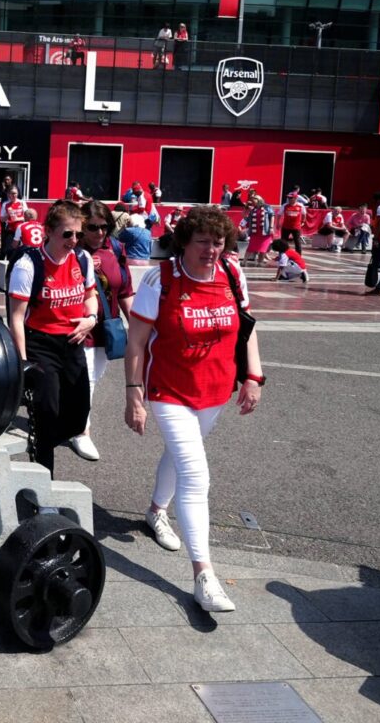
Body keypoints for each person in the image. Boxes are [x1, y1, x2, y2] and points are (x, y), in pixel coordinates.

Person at [124, 205, 263, 613]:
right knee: (196, 473)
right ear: (183, 242)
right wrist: (134, 393)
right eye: (202, 241)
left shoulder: (233, 274)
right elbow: (136, 343)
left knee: (181, 456)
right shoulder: (160, 279)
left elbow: (248, 325)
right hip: (168, 390)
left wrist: (254, 376)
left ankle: (155, 512)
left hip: (216, 389)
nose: (211, 250)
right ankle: (204, 575)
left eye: (218, 242)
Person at [7, 200, 99, 474]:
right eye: (67, 234)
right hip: (40, 345)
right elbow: (16, 317)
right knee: (46, 414)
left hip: (72, 344)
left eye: (78, 234)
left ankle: (44, 438)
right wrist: (24, 362)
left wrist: (91, 319)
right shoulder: (28, 264)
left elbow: (91, 297)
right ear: (48, 231)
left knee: (78, 416)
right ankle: (41, 483)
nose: (74, 240)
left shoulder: (82, 259)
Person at [70, 200, 136, 463]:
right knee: (86, 381)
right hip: (77, 326)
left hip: (106, 327)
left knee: (94, 376)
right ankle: (81, 431)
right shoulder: (71, 248)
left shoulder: (116, 248)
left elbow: (126, 291)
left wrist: (140, 327)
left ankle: (72, 420)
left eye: (104, 227)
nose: (99, 233)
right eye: (93, 227)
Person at [241, 193, 275, 266]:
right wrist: (242, 224)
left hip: (265, 231)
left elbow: (272, 216)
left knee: (263, 247)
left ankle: (260, 262)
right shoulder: (254, 209)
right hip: (255, 231)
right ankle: (244, 261)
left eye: (254, 200)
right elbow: (247, 218)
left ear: (259, 200)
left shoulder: (267, 207)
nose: (252, 202)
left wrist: (271, 227)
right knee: (251, 246)